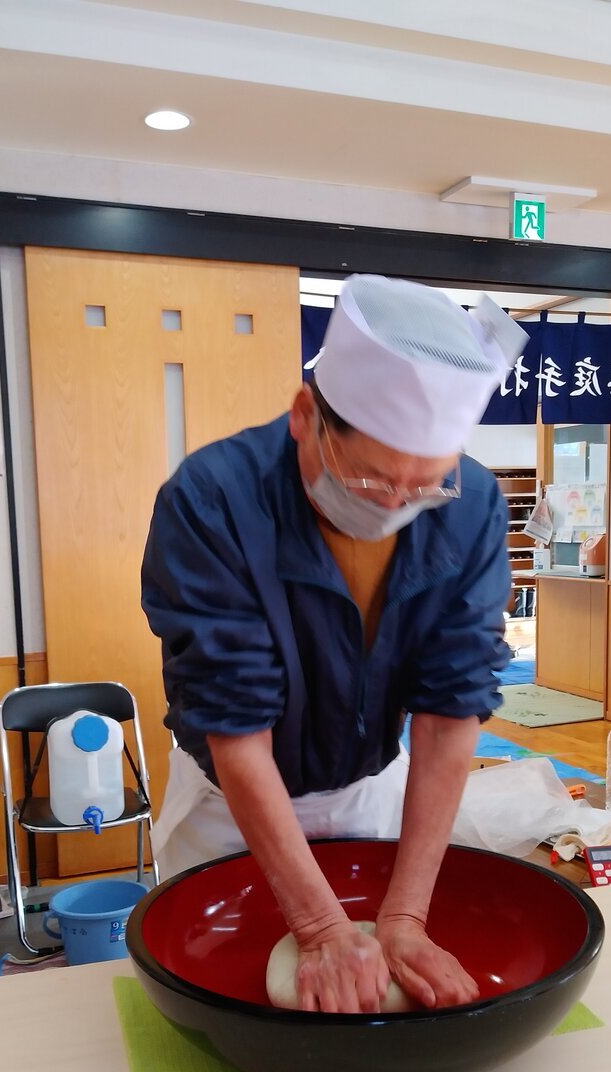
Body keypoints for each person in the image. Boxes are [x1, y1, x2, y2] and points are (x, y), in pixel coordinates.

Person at [141, 275, 525, 1015]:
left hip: (370, 790)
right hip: (233, 804)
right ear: (305, 415)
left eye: (425, 486)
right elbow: (237, 731)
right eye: (373, 478)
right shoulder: (213, 500)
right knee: (225, 1000)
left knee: (375, 1011)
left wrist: (405, 917)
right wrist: (318, 926)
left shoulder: (470, 506)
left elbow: (450, 717)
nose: (395, 505)